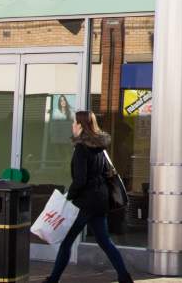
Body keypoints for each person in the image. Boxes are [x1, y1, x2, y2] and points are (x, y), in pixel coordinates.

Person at [45, 111, 133, 283]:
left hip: (85, 203)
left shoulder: (81, 149)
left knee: (67, 241)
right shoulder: (99, 147)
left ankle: (53, 279)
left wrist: (69, 197)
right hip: (100, 201)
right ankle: (124, 277)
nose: (72, 126)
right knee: (104, 241)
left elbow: (80, 180)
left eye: (74, 123)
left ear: (80, 126)